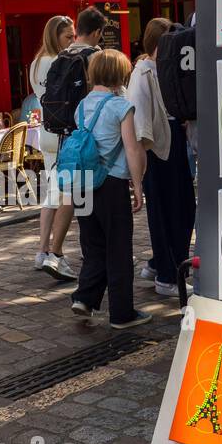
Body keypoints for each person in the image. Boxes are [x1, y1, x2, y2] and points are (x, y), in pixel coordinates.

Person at [69, 49, 150, 330]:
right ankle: (121, 313)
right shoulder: (120, 106)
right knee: (118, 248)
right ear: (120, 75)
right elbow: (131, 149)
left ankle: (84, 298)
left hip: (82, 182)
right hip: (111, 184)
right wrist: (138, 185)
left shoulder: (80, 106)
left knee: (93, 246)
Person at [127, 18, 195, 298]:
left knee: (183, 208)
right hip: (158, 149)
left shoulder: (162, 69)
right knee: (168, 213)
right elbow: (140, 122)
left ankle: (161, 264)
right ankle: (167, 275)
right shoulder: (143, 73)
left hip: (172, 143)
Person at [38, 5, 106, 281]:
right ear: (99, 32)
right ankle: (58, 253)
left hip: (65, 135)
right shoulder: (95, 56)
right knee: (78, 194)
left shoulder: (61, 56)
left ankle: (57, 252)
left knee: (68, 192)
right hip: (88, 134)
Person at [28, 15, 76, 280]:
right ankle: (54, 253)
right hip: (61, 134)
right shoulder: (58, 62)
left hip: (45, 133)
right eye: (68, 37)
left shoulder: (36, 63)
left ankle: (42, 250)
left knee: (52, 194)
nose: (72, 41)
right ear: (55, 36)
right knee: (66, 195)